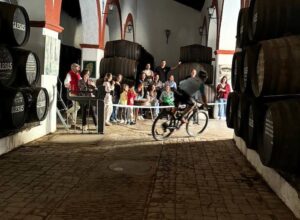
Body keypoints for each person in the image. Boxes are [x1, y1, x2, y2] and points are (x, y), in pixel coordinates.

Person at [64, 63, 81, 129]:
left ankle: (73, 124)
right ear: (73, 68)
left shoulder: (78, 74)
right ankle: (66, 113)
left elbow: (81, 81)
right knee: (77, 107)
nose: (79, 68)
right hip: (72, 92)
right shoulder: (69, 74)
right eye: (77, 67)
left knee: (75, 109)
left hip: (77, 93)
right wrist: (70, 86)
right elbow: (65, 83)